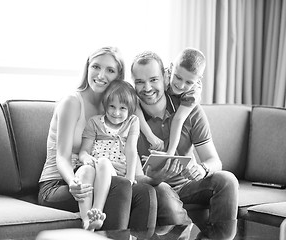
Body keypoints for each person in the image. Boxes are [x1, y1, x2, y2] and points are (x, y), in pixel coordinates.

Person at [38, 46, 156, 231]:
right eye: (96, 67)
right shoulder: (72, 102)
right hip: (60, 184)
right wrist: (72, 183)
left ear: (118, 76)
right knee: (121, 187)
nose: (101, 75)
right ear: (87, 68)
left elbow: (129, 149)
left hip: (97, 177)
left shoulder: (111, 109)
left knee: (145, 192)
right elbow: (62, 156)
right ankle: (95, 226)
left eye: (110, 70)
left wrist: (147, 177)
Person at [131, 50, 239, 230]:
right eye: (140, 82)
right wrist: (156, 178)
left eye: (153, 80)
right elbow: (133, 180)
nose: (148, 88)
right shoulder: (128, 117)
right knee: (162, 189)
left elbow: (215, 161)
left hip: (188, 186)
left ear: (165, 76)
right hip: (154, 187)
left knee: (227, 179)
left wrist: (202, 169)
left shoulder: (191, 110)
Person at [78, 80, 139, 230]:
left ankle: (96, 211)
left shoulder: (132, 122)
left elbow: (132, 149)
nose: (116, 112)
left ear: (130, 110)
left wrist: (130, 177)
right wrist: (85, 158)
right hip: (93, 167)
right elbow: (84, 151)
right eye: (112, 106)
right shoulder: (94, 122)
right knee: (85, 171)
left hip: (114, 171)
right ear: (105, 104)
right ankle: (87, 220)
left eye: (122, 108)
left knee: (104, 162)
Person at [136, 49, 202, 155]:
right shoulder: (161, 77)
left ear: (198, 80)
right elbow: (134, 99)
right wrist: (150, 135)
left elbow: (178, 119)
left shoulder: (192, 93)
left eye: (189, 82)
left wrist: (170, 153)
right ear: (171, 68)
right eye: (178, 77)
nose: (181, 85)